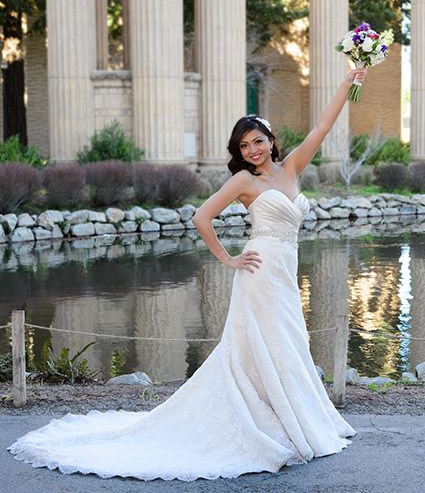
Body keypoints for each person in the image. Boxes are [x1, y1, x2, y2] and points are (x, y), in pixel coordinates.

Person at [8, 68, 366, 481]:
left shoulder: (292, 167)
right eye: (244, 145)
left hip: (285, 271)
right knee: (266, 344)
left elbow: (323, 124)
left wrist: (348, 82)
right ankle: (273, 423)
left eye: (257, 141)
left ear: (271, 141)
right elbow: (201, 217)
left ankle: (293, 418)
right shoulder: (243, 180)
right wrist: (229, 259)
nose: (252, 150)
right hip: (259, 269)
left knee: (288, 343)